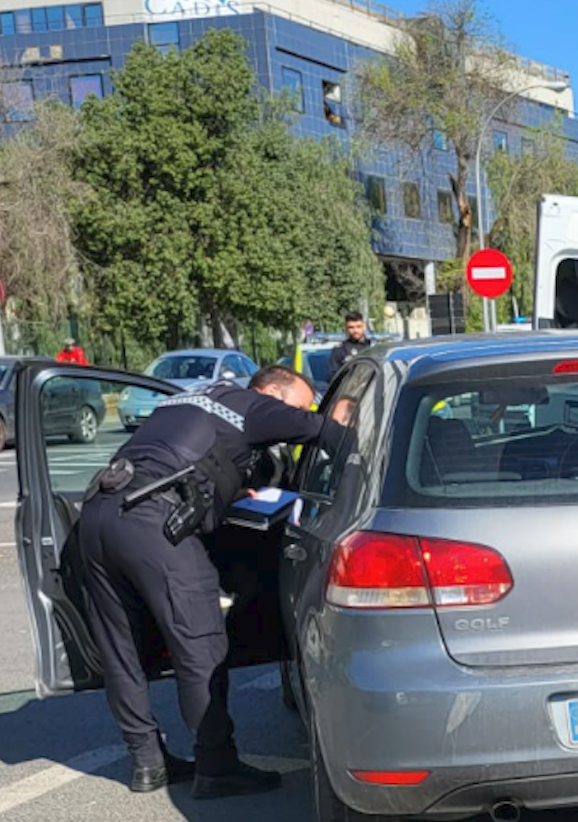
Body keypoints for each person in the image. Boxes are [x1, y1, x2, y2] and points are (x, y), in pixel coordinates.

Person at [79, 365, 350, 796]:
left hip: (98, 513)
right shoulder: (255, 405)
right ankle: (217, 766)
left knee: (121, 649)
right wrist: (345, 416)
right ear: (273, 393)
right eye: (299, 404)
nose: (299, 414)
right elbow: (329, 434)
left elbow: (191, 460)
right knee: (200, 643)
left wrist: (228, 492)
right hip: (153, 521)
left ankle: (147, 763)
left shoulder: (193, 397)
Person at [327, 311, 371, 378]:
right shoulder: (340, 350)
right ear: (346, 329)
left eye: (358, 326)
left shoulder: (373, 346)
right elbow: (332, 377)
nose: (355, 331)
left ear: (364, 327)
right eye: (351, 327)